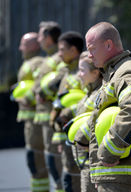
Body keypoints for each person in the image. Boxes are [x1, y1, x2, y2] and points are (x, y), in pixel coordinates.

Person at [85, 22, 131, 192]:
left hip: (122, 177)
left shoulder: (126, 73)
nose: (89, 55)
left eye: (92, 48)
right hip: (114, 175)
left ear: (108, 45)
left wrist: (109, 151)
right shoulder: (113, 73)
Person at [15, 32, 49, 191]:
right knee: (34, 160)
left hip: (36, 121)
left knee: (36, 160)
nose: (20, 48)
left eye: (24, 44)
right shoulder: (30, 63)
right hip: (30, 120)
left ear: (35, 45)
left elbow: (40, 82)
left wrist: (27, 98)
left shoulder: (37, 63)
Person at [33, 21, 65, 192]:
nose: (38, 39)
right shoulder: (48, 59)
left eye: (40, 35)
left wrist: (43, 92)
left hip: (54, 119)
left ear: (48, 38)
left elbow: (63, 75)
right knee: (51, 161)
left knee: (56, 163)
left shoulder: (58, 58)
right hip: (44, 118)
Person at [51, 31, 84, 192]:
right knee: (67, 176)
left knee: (74, 178)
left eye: (62, 49)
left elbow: (89, 103)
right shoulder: (67, 73)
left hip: (77, 135)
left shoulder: (83, 73)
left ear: (73, 50)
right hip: (65, 133)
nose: (59, 53)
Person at [70, 51, 102, 192]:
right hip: (84, 161)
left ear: (95, 73)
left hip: (92, 161)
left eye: (82, 70)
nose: (79, 74)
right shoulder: (89, 93)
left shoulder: (99, 95)